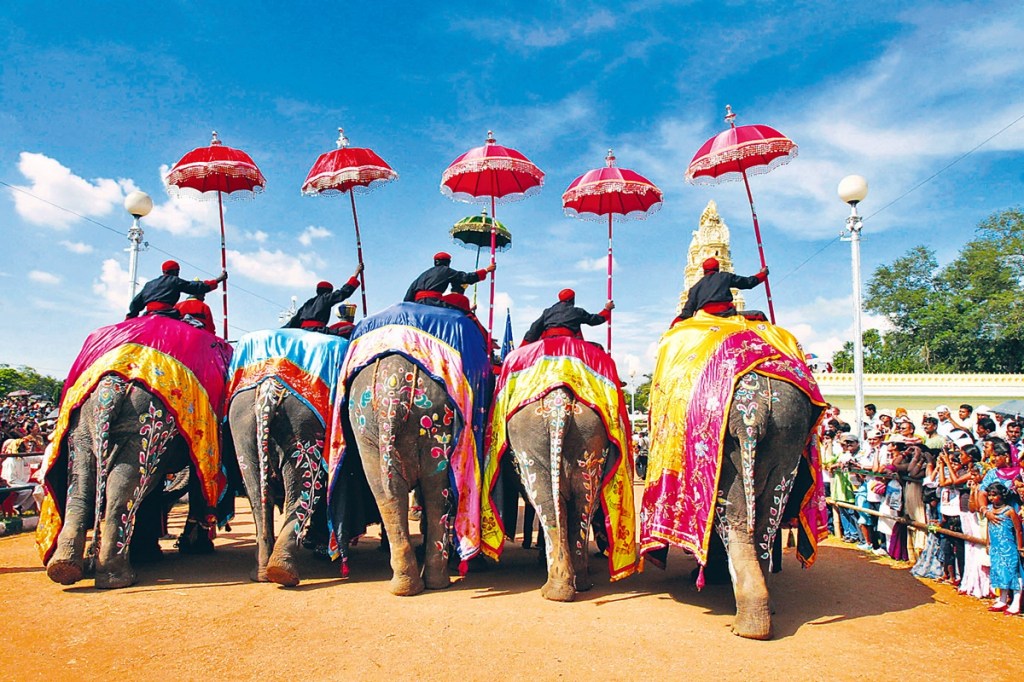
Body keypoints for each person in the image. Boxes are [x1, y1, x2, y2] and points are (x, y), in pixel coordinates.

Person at [672, 257, 768, 323]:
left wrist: (674, 325)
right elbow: (748, 283)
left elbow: (686, 313)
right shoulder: (725, 276)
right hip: (725, 314)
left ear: (704, 271)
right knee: (759, 315)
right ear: (718, 268)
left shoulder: (695, 288)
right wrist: (762, 274)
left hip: (704, 317)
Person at [127, 260, 226, 319]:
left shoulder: (149, 284)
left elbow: (135, 303)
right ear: (176, 271)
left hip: (148, 315)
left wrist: (130, 319)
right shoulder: (175, 281)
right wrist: (218, 280)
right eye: (178, 271)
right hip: (166, 314)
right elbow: (196, 287)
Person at [982, 482, 1023, 615]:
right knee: (1000, 573)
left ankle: (1016, 602)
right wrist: (988, 543)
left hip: (1008, 547)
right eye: (989, 495)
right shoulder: (990, 511)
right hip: (996, 548)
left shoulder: (1009, 511)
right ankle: (1002, 599)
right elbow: (988, 528)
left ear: (1002, 496)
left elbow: (1018, 530)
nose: (991, 498)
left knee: (1013, 573)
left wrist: (1020, 546)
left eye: (994, 495)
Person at [284, 264, 363, 331]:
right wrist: (356, 273)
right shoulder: (325, 298)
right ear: (329, 291)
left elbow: (293, 321)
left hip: (303, 330)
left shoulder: (308, 303)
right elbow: (344, 292)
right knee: (348, 329)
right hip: (317, 330)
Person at [522, 289, 613, 345]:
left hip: (548, 342)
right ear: (571, 299)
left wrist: (523, 346)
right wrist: (607, 309)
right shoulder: (577, 311)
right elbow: (594, 320)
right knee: (598, 348)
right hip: (568, 342)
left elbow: (534, 328)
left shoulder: (547, 312)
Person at [404, 252, 494, 306]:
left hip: (416, 303)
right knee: (462, 303)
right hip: (433, 302)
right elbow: (466, 278)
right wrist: (486, 270)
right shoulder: (446, 271)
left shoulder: (423, 274)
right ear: (448, 262)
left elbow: (409, 294)